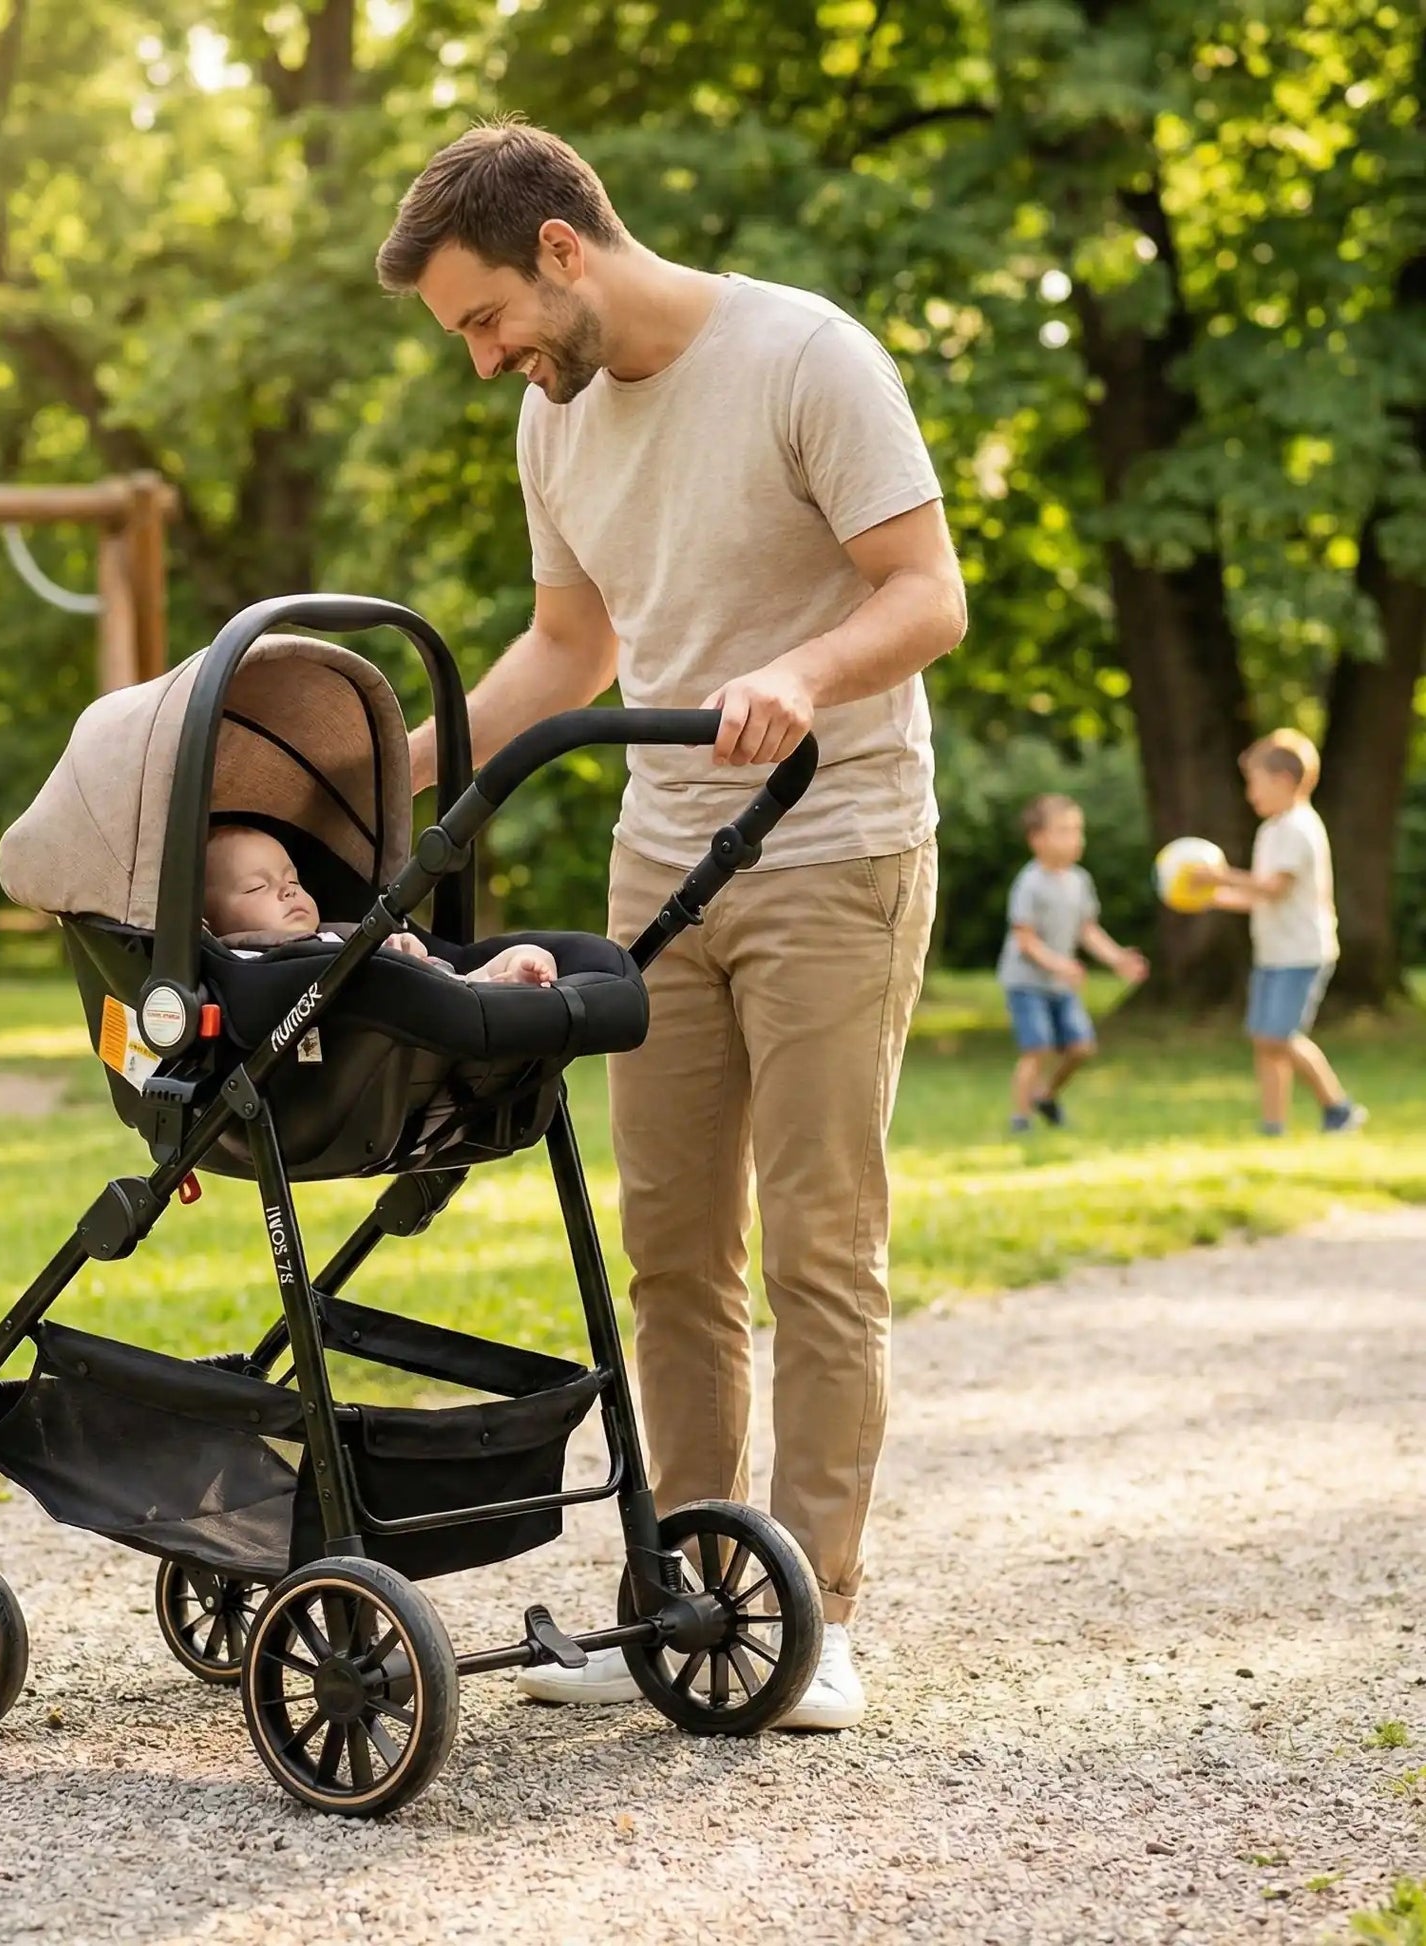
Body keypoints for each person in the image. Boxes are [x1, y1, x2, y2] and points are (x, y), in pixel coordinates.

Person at [376, 122, 967, 1727]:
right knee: (672, 1252)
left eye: (484, 317)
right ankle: (685, 1600)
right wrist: (392, 768)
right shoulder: (554, 420)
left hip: (835, 844)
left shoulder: (804, 357)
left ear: (561, 249)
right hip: (662, 866)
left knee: (820, 1244)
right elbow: (568, 647)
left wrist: (802, 674)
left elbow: (926, 591)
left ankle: (806, 1616)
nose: (483, 358)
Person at [1194, 732, 1365, 1136]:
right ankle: (1273, 1125)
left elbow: (1273, 887)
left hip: (1301, 952)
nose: (1249, 793)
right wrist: (1214, 897)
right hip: (1273, 951)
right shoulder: (1272, 830)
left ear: (1283, 781)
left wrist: (1219, 877)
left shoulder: (1299, 827)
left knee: (1278, 1036)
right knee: (1264, 1039)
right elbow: (1261, 896)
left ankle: (1339, 1108)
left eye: (1255, 783)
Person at [204, 825, 556, 983]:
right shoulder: (242, 969)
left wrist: (400, 946)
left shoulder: (338, 936)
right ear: (207, 921)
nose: (288, 891)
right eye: (258, 887)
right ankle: (499, 985)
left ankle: (508, 976)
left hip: (424, 995)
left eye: (293, 880)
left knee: (519, 958)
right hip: (380, 1027)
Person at [998, 794, 1148, 1132]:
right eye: (1064, 831)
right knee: (1037, 1048)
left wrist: (1118, 959)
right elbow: (1025, 940)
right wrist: (1060, 965)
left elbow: (1087, 930)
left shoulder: (1079, 881)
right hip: (1026, 982)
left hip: (1059, 983)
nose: (1075, 838)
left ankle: (1046, 1096)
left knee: (1081, 1047)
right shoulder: (1030, 882)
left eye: (1078, 830)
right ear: (1037, 839)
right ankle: (1020, 1118)